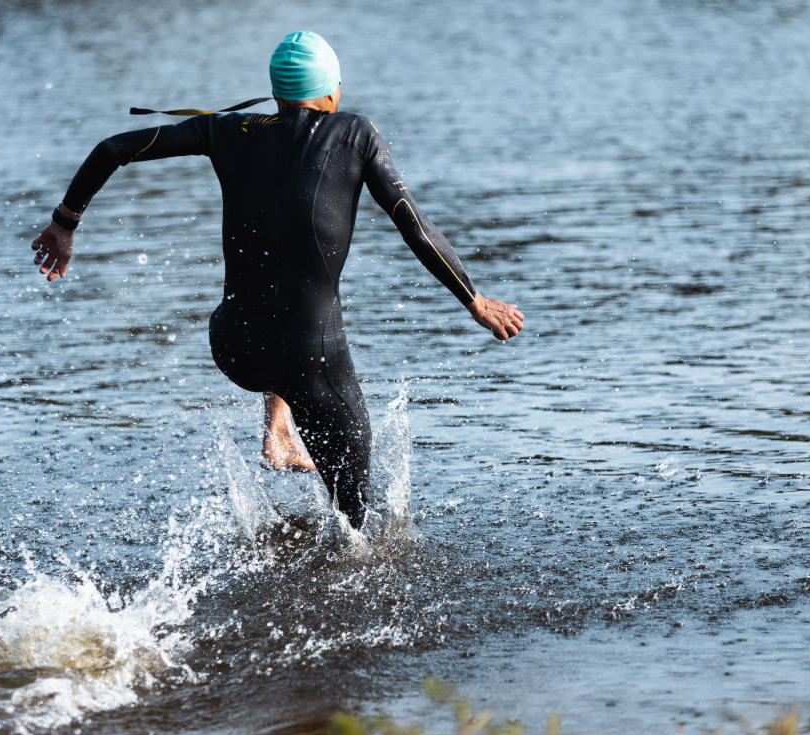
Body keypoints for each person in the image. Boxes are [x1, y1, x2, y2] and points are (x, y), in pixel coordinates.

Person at [31, 31, 523, 530]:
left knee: (278, 283)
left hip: (234, 346)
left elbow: (112, 147)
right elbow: (412, 225)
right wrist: (474, 300)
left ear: (277, 92)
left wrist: (64, 223)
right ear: (332, 92)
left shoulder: (225, 130)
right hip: (312, 362)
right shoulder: (355, 134)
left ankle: (278, 428)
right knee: (361, 525)